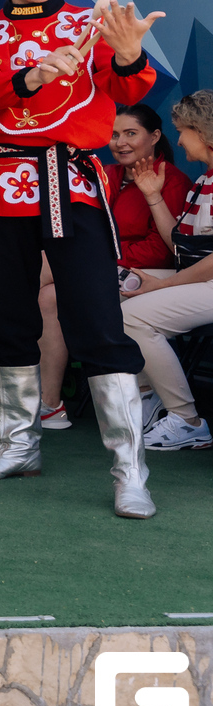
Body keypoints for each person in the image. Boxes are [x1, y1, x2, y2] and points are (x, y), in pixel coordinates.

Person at [0, 0, 163, 518]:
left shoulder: (88, 25)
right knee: (8, 319)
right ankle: (19, 446)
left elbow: (127, 91)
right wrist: (36, 72)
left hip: (70, 185)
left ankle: (130, 471)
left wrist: (129, 54)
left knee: (98, 321)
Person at [0, 103, 189, 429]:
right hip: (109, 268)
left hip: (147, 272)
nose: (120, 142)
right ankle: (50, 404)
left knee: (48, 265)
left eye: (130, 134)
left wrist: (93, 256)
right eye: (114, 135)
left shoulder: (171, 179)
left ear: (155, 136)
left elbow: (162, 250)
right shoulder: (105, 173)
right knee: (47, 296)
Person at [122, 92, 213, 452]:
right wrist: (153, 196)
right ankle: (147, 394)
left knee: (132, 315)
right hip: (199, 280)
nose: (179, 140)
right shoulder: (204, 181)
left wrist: (162, 285)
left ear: (203, 131)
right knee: (114, 295)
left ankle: (187, 420)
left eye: (183, 131)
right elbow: (180, 247)